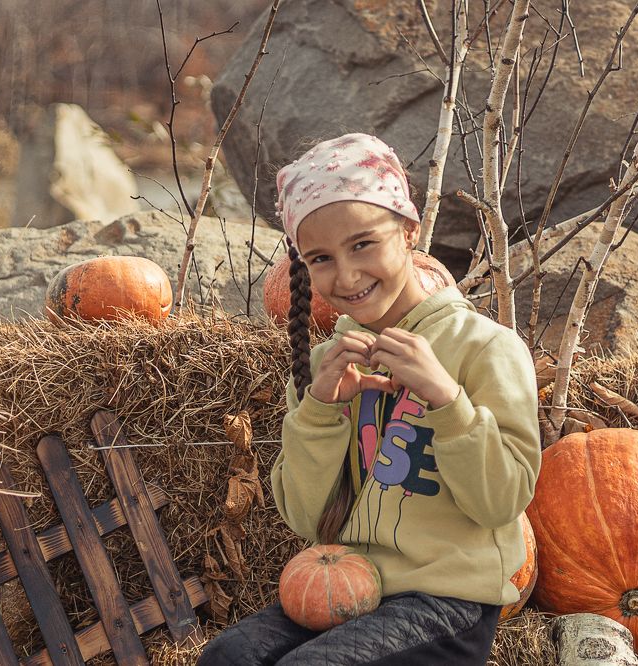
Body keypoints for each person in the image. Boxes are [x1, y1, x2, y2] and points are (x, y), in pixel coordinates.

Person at [197, 133, 541, 665]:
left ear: (409, 231)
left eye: (363, 244)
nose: (348, 275)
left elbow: (502, 501)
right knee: (229, 657)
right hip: (350, 585)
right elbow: (304, 517)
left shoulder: (484, 349)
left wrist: (446, 401)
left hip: (447, 601)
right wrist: (319, 409)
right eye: (321, 258)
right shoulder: (325, 366)